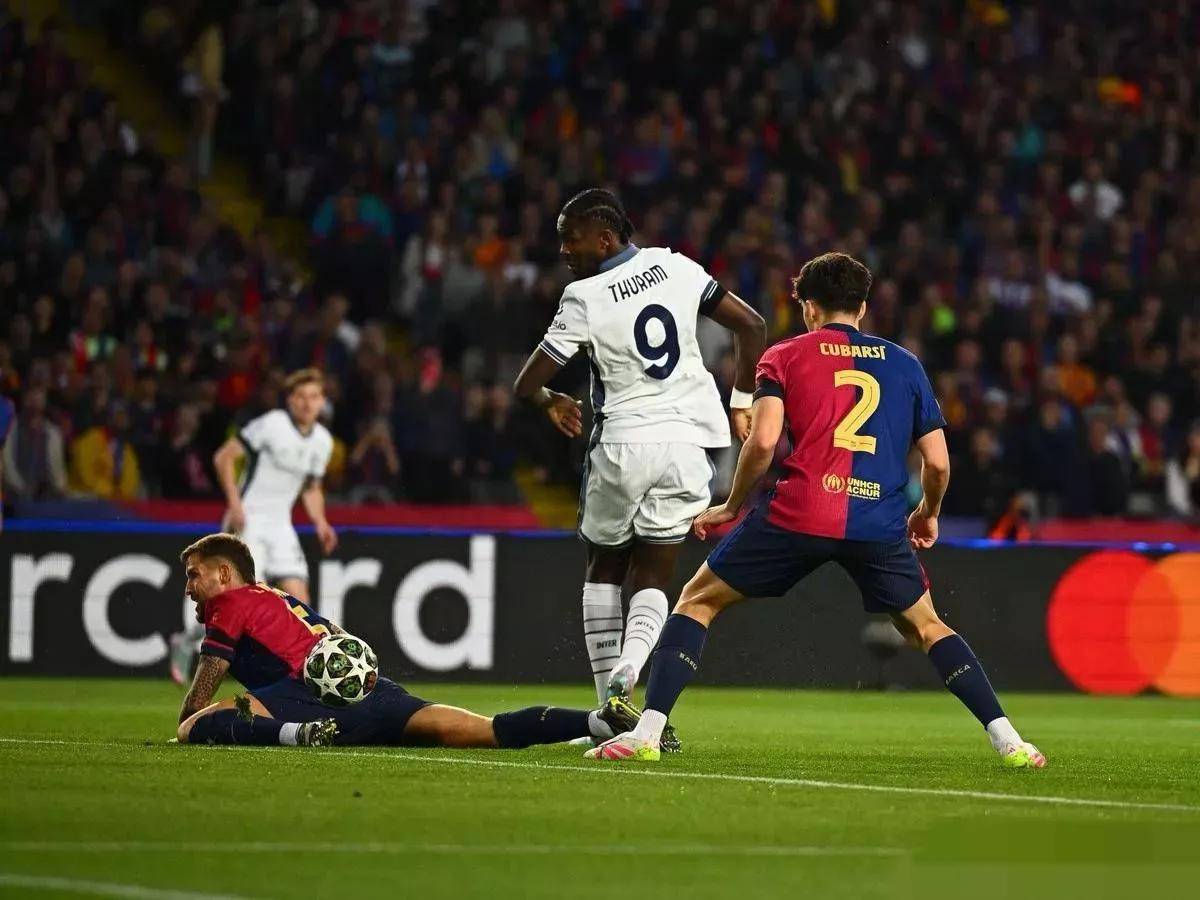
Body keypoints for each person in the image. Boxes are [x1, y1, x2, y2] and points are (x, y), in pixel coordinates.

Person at [588, 252, 1046, 769]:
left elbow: (763, 442)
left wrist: (732, 506)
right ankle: (1010, 741)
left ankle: (648, 732)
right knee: (927, 626)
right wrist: (929, 513)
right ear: (863, 307)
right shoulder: (905, 364)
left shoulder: (783, 356)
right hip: (876, 521)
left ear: (808, 307)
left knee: (696, 601)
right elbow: (937, 463)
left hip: (800, 511)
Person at [513, 189, 766, 747]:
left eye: (571, 239)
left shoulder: (583, 296)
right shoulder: (675, 266)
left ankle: (609, 708)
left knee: (604, 569)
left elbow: (525, 383)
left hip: (623, 442)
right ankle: (634, 663)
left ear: (605, 239)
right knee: (654, 574)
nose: (563, 250)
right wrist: (742, 401)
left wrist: (551, 401)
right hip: (688, 446)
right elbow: (752, 326)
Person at [175, 533, 641, 749]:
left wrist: (192, 717)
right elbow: (337, 636)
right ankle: (599, 721)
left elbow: (202, 689)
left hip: (306, 697)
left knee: (194, 727)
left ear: (224, 574)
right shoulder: (274, 596)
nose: (189, 587)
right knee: (488, 731)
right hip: (372, 694)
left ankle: (296, 734)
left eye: (194, 575)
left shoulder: (229, 603)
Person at [168, 368, 337, 684]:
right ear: (290, 400)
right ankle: (188, 640)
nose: (307, 403)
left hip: (281, 524)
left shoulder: (323, 442)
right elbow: (224, 457)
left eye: (314, 397)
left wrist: (321, 521)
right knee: (232, 597)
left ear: (322, 401)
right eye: (301, 397)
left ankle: (300, 676)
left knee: (300, 601)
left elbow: (311, 488)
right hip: (250, 519)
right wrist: (235, 504)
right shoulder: (273, 424)